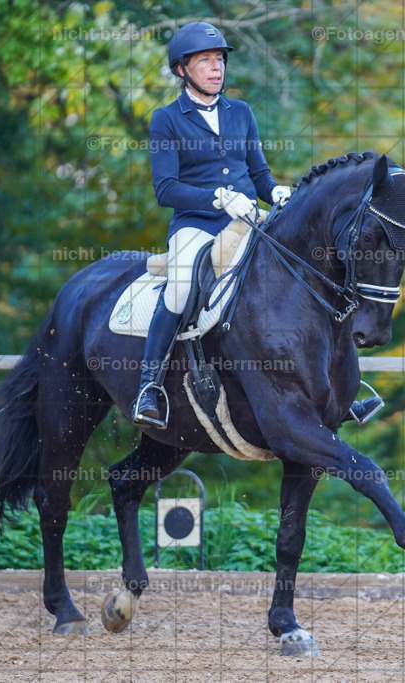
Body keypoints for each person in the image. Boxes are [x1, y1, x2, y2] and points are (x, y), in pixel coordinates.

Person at [133, 21, 290, 427]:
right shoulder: (166, 119)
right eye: (206, 60)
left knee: (299, 269)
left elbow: (259, 173)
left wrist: (275, 194)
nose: (217, 68)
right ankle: (149, 388)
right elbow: (166, 189)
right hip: (196, 223)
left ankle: (333, 383)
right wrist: (216, 197)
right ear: (182, 69)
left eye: (219, 59)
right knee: (181, 285)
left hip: (247, 220)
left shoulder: (242, 112)